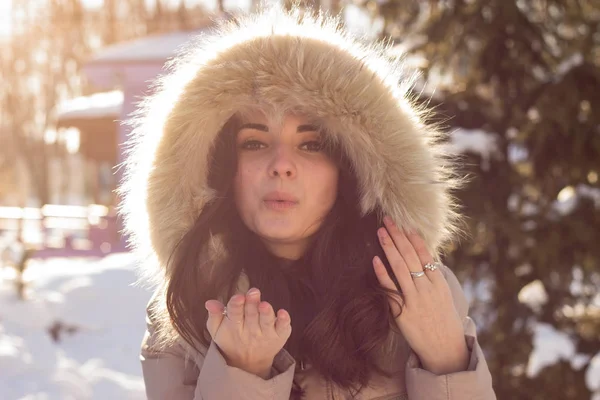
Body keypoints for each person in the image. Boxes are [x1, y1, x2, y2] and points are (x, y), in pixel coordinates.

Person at [119, 5, 496, 399]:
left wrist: (448, 360)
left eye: (311, 144)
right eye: (254, 142)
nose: (281, 165)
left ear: (349, 169)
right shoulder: (189, 304)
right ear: (221, 169)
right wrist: (242, 375)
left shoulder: (419, 288)